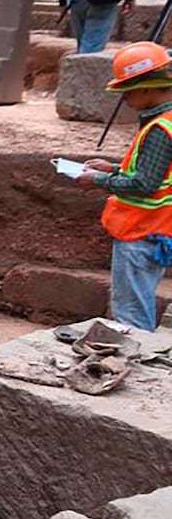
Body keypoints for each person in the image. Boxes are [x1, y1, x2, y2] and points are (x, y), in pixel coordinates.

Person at [72, 42, 172, 332]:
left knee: (131, 314)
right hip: (157, 231)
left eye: (127, 91)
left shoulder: (159, 130)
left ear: (147, 89)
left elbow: (144, 184)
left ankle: (135, 365)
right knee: (137, 302)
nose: (125, 99)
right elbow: (156, 171)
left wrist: (98, 180)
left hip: (140, 232)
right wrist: (114, 168)